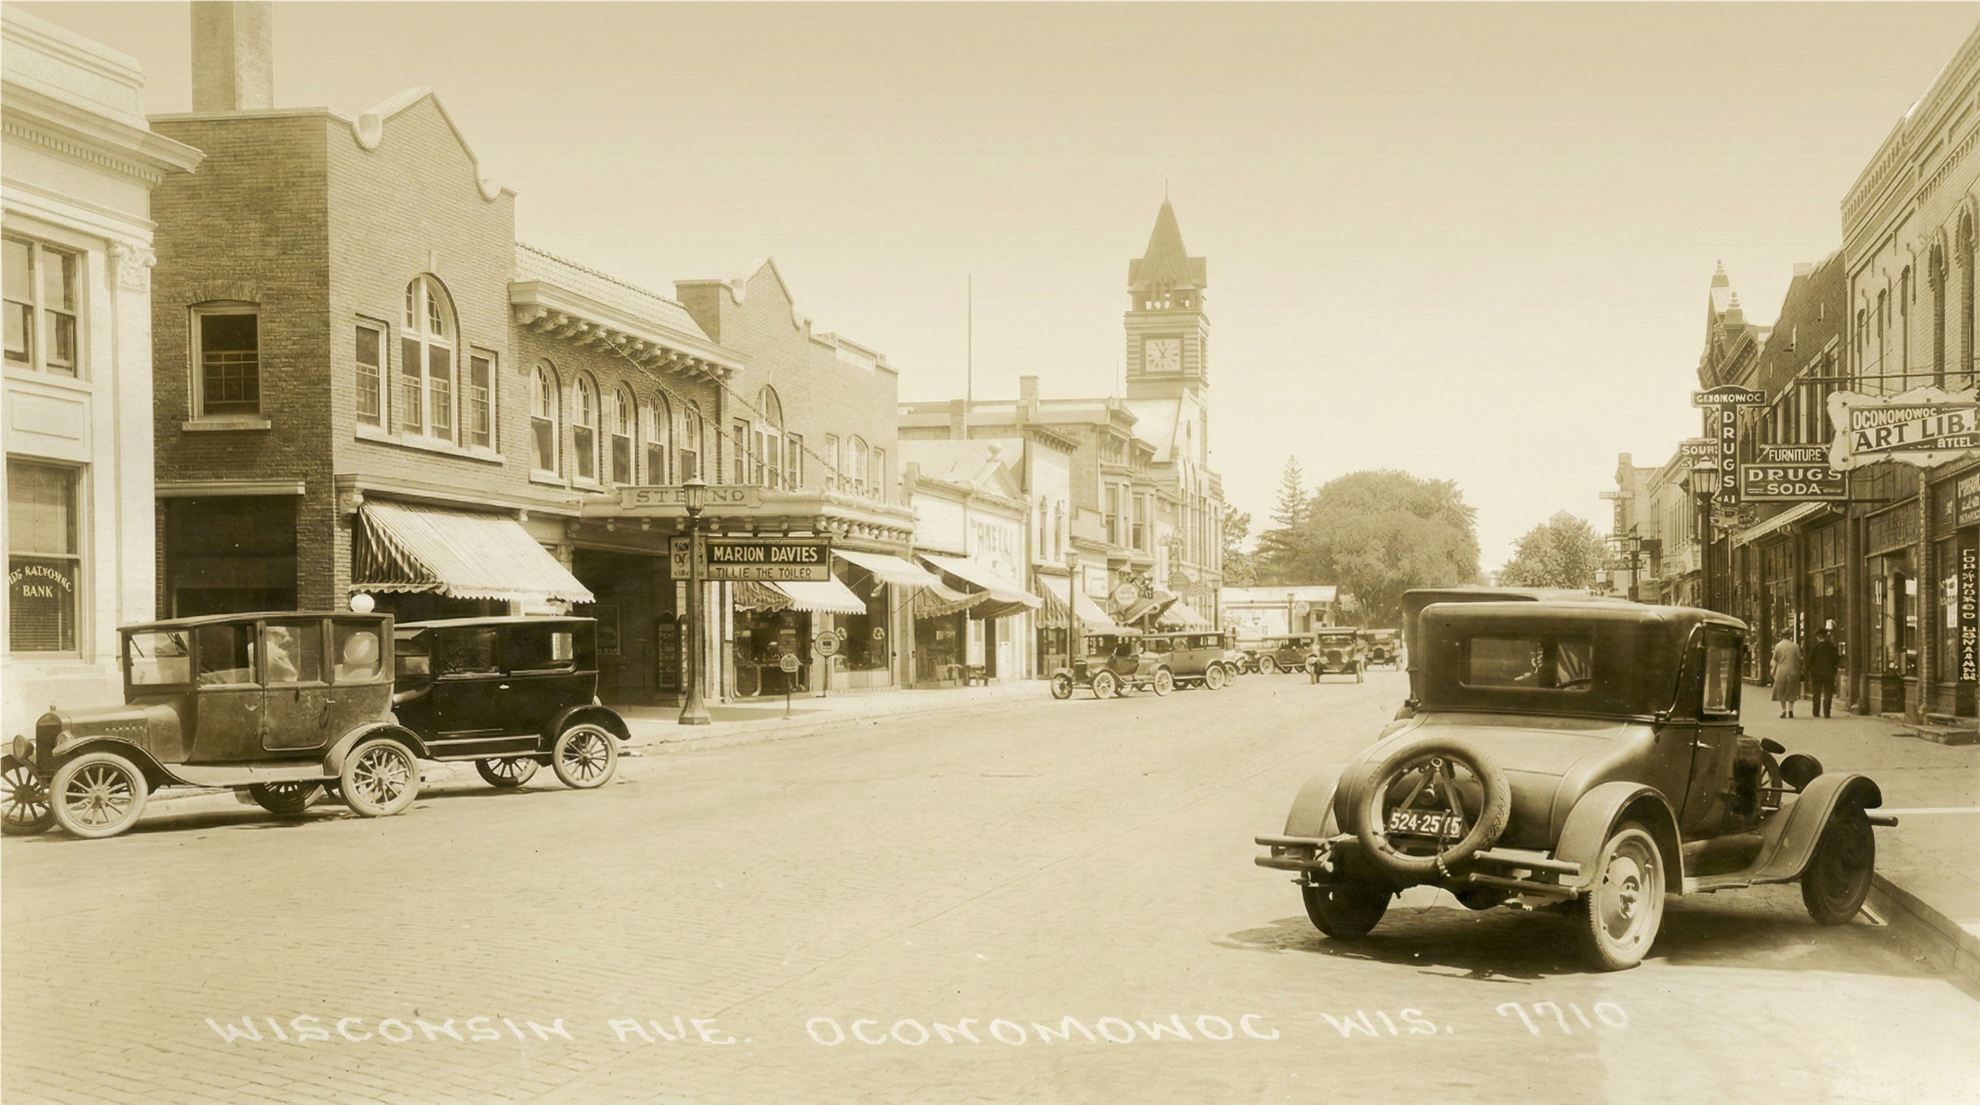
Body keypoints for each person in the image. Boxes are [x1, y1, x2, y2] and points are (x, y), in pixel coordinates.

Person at [1806, 623, 1841, 719]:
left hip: (1817, 674)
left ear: (1818, 637)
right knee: (1828, 693)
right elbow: (1837, 660)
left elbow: (1809, 661)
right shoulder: (1832, 647)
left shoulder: (1815, 648)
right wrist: (1833, 670)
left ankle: (1816, 712)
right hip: (1829, 674)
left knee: (1816, 693)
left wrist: (1810, 670)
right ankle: (1827, 713)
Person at [1771, 630, 1804, 718]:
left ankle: (1783, 710)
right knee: (1791, 690)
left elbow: (1775, 658)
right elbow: (1799, 659)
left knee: (1782, 690)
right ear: (1790, 636)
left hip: (1781, 671)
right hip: (1793, 670)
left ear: (1782, 636)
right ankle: (1791, 710)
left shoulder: (1778, 646)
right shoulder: (1795, 646)